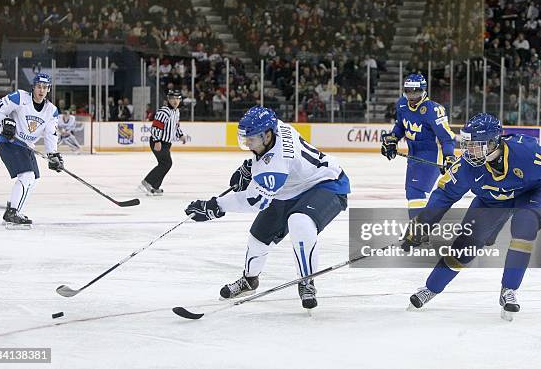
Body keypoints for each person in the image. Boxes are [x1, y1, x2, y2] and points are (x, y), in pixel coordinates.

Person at [402, 113, 541, 320]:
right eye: (467, 144)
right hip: (491, 201)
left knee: (523, 226)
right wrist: (422, 224)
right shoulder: (465, 167)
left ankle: (509, 290)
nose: (468, 150)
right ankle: (431, 288)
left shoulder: (527, 152)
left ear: (492, 143)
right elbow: (444, 195)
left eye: (475, 145)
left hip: (533, 194)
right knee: (464, 246)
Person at [184, 106, 350, 309]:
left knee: (300, 221)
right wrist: (249, 166)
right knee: (258, 237)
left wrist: (215, 206)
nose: (247, 143)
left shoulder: (277, 164)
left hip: (327, 184)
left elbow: (255, 201)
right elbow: (265, 159)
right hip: (291, 187)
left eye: (251, 139)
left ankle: (307, 281)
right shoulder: (275, 130)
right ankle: (249, 280)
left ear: (266, 135)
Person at [0, 73, 64, 228]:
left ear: (48, 89)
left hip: (26, 147)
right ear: (33, 87)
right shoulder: (20, 97)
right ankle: (13, 213)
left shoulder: (52, 111)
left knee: (34, 178)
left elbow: (51, 135)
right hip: (9, 141)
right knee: (27, 175)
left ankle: (13, 211)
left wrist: (53, 155)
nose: (41, 90)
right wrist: (5, 121)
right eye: (39, 86)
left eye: (45, 87)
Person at [381, 73, 457, 219]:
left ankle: (418, 233)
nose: (412, 95)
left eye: (415, 91)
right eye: (409, 91)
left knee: (416, 192)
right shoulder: (402, 104)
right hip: (414, 154)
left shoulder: (433, 110)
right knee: (412, 192)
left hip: (431, 154)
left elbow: (447, 138)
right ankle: (419, 231)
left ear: (423, 90)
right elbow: (400, 126)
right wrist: (392, 139)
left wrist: (449, 157)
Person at [140, 89, 186, 195]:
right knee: (166, 163)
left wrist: (180, 135)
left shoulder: (176, 111)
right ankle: (147, 182)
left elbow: (176, 125)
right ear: (168, 100)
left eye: (177, 99)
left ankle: (155, 186)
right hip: (158, 141)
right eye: (172, 98)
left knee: (164, 163)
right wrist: (157, 140)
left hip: (166, 143)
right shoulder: (164, 111)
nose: (175, 101)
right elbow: (156, 127)